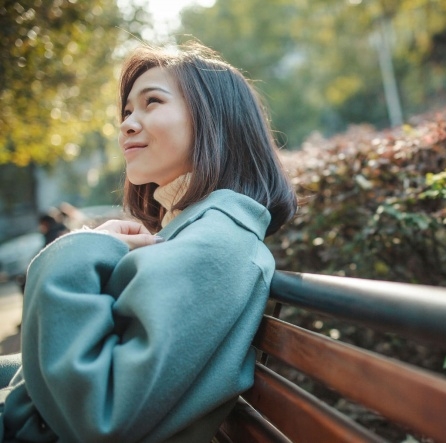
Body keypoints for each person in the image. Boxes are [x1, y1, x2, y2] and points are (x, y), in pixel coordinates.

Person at [0, 41, 297, 442]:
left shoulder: (217, 244)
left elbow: (99, 415)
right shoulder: (194, 231)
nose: (126, 124)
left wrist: (73, 253)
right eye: (126, 111)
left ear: (215, 120)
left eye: (151, 102)